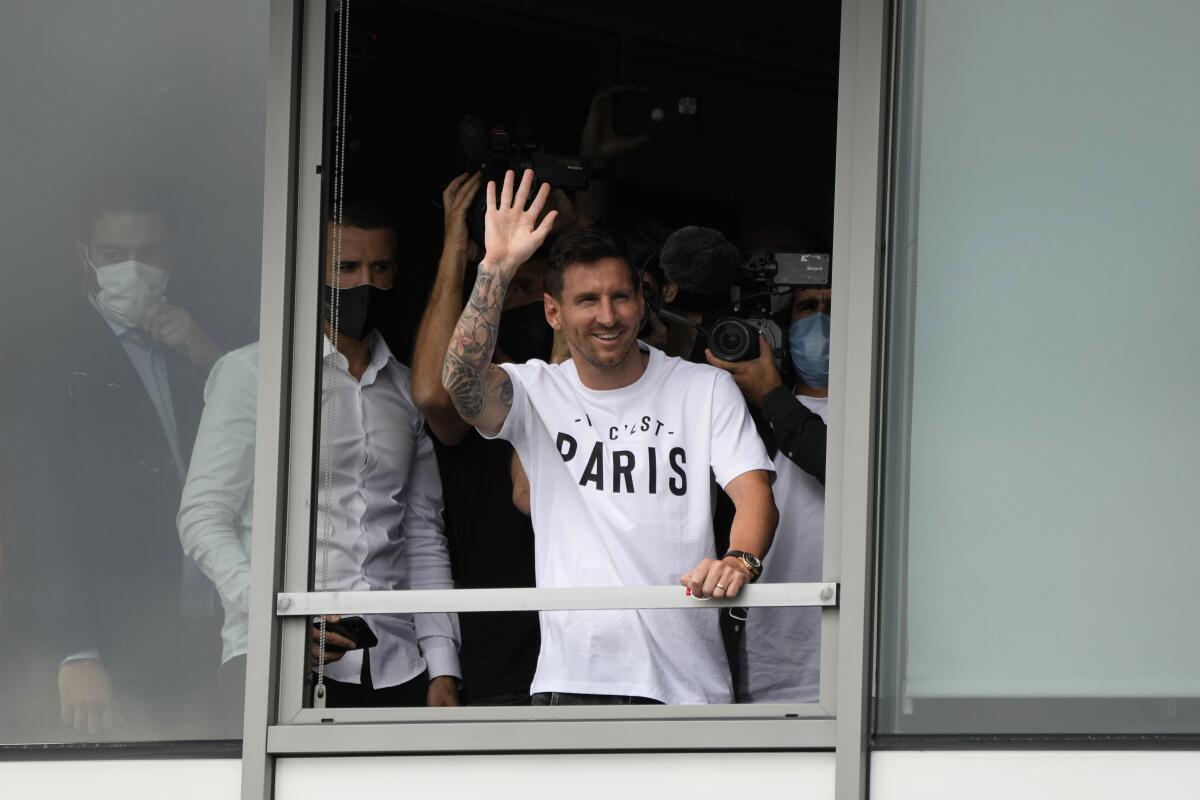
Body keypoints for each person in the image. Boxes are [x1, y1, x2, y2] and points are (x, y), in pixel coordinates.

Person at [442, 169, 778, 705]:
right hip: (572, 684)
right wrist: (497, 268)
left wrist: (740, 562)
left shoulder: (703, 387)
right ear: (553, 312)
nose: (608, 316)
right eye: (587, 300)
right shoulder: (535, 391)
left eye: (621, 297)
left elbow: (755, 494)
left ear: (642, 304)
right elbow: (458, 384)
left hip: (687, 688)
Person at [178, 203, 460, 719]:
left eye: (380, 269)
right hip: (275, 657)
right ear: (313, 273)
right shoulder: (253, 373)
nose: (365, 284)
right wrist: (278, 616)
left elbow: (422, 534)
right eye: (346, 269)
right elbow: (203, 517)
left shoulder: (404, 387)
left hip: (397, 663)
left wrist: (443, 663)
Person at [42, 180, 225, 737]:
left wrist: (207, 355)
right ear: (85, 258)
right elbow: (39, 507)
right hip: (115, 637)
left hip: (207, 626)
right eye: (114, 256)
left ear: (172, 256)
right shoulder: (50, 354)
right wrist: (76, 650)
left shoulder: (193, 344)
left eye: (148, 254)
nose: (132, 269)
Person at [409, 172, 546, 706]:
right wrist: (459, 251)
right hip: (496, 653)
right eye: (520, 289)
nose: (532, 304)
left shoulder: (579, 392)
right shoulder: (477, 401)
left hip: (582, 655)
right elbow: (431, 392)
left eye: (544, 292)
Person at [705, 286, 831, 702]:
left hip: (856, 666)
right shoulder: (748, 418)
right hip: (767, 659)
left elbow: (839, 463)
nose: (820, 321)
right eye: (807, 308)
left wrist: (771, 395)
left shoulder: (890, 408)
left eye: (834, 308)